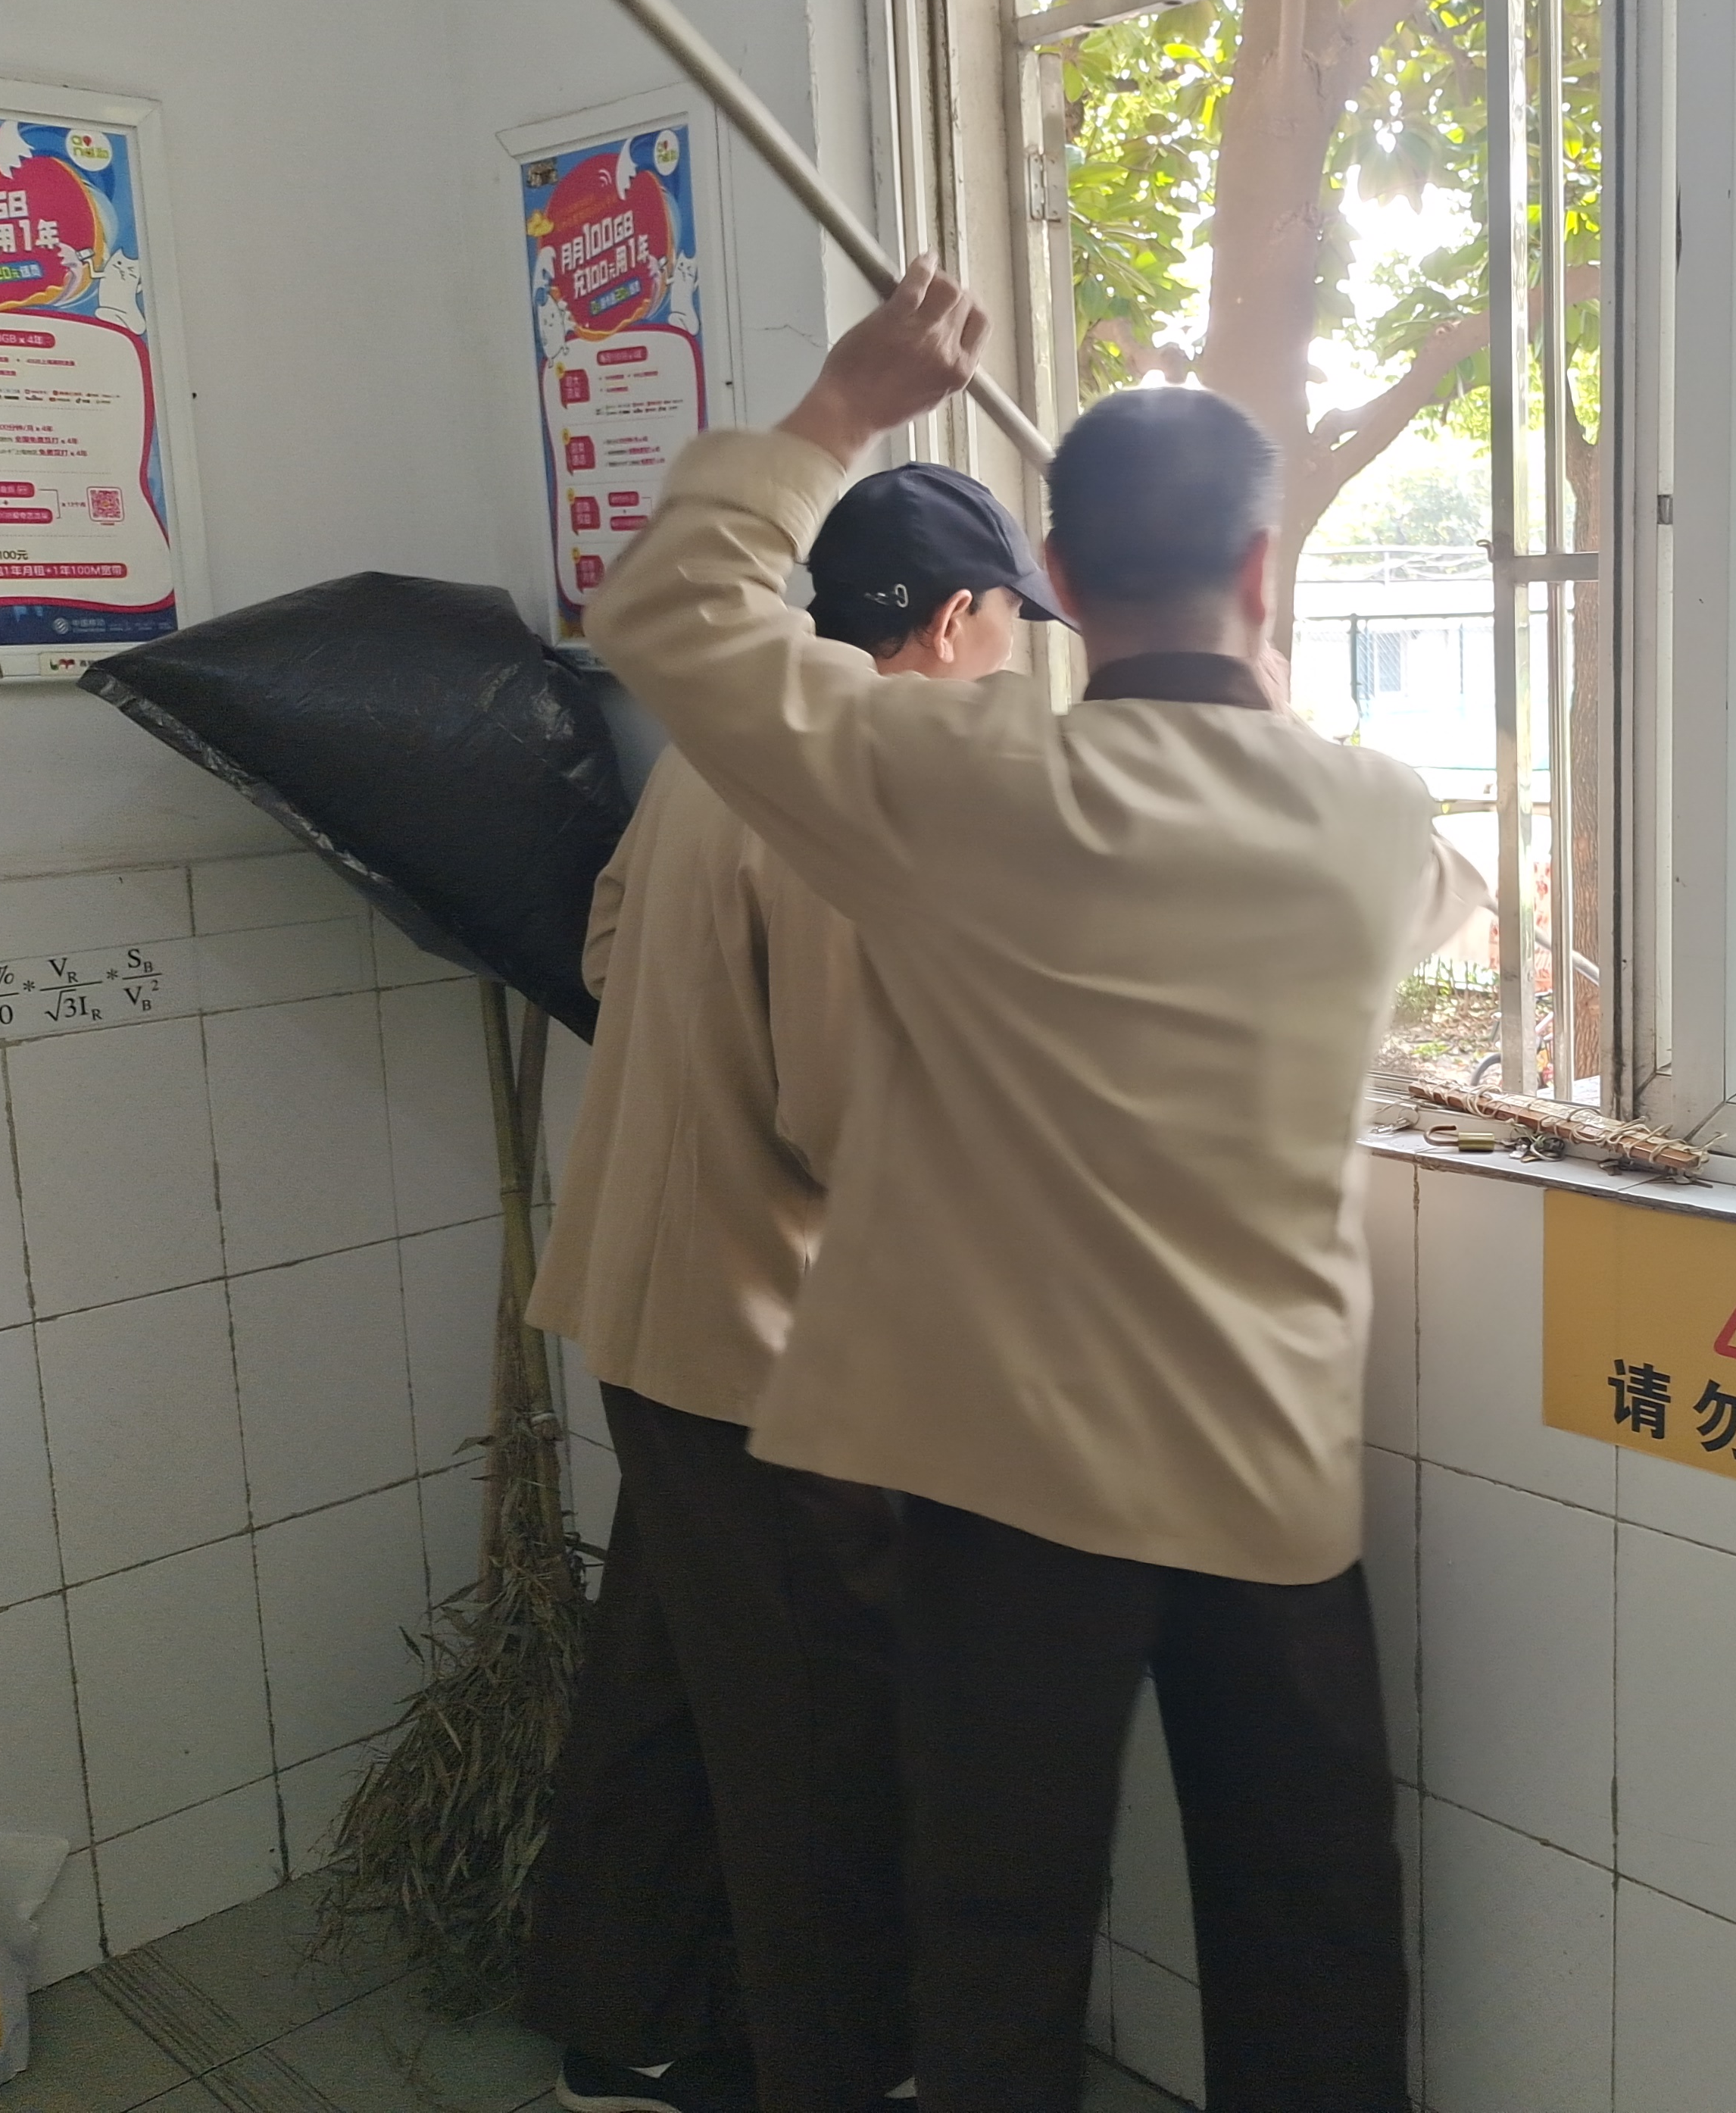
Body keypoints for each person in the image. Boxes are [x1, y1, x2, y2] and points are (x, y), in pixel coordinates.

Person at [582, 258, 1488, 2113]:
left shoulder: (959, 783)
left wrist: (842, 409)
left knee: (992, 1939)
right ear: (1259, 574)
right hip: (1263, 1474)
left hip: (1007, 1486)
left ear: (1058, 578)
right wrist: (1273, 714)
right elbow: (1444, 907)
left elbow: (672, 611)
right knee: (1312, 1923)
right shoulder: (1374, 817)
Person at [517, 462, 1066, 2113]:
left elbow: (608, 952)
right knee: (829, 1735)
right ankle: (852, 2069)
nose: (1013, 660)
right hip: (772, 1348)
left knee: (670, 1683)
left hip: (644, 1303)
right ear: (953, 621)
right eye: (1010, 625)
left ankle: (619, 2025)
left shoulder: (723, 741)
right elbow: (853, 1115)